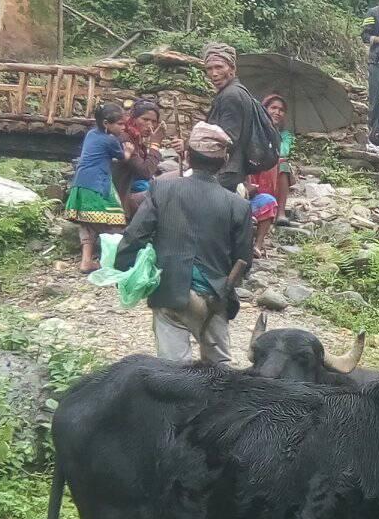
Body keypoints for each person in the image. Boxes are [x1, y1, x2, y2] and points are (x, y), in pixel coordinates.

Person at [116, 122, 253, 365]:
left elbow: (135, 235)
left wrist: (122, 267)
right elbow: (244, 260)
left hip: (170, 292)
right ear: (224, 161)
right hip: (214, 296)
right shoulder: (238, 205)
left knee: (172, 371)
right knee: (219, 372)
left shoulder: (161, 188)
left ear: (188, 156)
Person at [63, 101, 132, 273]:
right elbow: (123, 157)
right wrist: (129, 151)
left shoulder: (92, 134)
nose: (124, 127)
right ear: (106, 124)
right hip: (97, 185)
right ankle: (113, 260)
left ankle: (86, 261)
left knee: (87, 223)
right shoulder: (110, 140)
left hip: (80, 183)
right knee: (110, 223)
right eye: (120, 124)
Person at [202, 42, 260, 191]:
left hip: (223, 172)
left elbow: (227, 139)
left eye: (219, 67)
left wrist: (195, 147)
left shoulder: (231, 95)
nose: (214, 73)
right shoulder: (236, 91)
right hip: (229, 170)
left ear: (232, 68)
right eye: (209, 69)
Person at [247, 92, 295, 258]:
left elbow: (283, 151)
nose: (277, 112)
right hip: (253, 176)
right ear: (264, 109)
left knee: (282, 163)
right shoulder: (253, 129)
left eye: (281, 110)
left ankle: (280, 212)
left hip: (271, 179)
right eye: (273, 107)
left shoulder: (284, 135)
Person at [115, 98, 162, 219]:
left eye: (154, 121)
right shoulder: (124, 138)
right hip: (122, 198)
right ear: (133, 119)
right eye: (145, 119)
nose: (150, 125)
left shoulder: (137, 139)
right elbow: (145, 172)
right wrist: (155, 145)